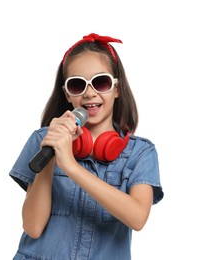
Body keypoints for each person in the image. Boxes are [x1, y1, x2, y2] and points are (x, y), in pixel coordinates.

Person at [9, 33, 164, 260]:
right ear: (67, 93)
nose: (89, 93)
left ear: (117, 88)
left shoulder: (141, 153)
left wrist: (71, 167)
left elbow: (137, 217)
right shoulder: (44, 140)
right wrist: (52, 157)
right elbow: (32, 227)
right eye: (77, 84)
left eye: (101, 82)